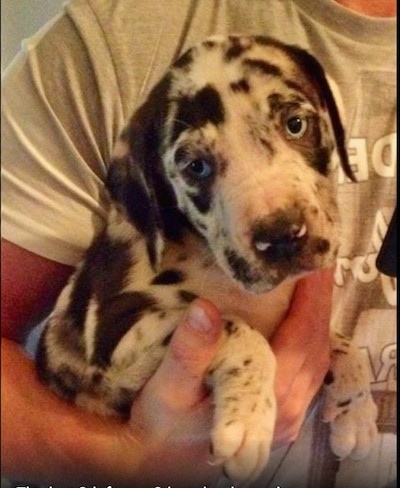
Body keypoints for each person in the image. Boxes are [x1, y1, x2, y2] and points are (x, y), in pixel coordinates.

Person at [1, 0, 396, 487]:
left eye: (295, 124)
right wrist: (116, 461)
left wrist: (346, 376)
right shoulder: (113, 39)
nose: (278, 220)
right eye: (198, 167)